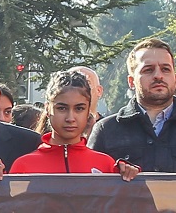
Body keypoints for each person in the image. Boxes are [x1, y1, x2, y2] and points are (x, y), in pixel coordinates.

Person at [91, 39, 176, 174]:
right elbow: (90, 186)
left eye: (165, 69)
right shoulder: (106, 131)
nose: (158, 76)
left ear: (175, 79)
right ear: (131, 81)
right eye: (148, 70)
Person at [11, 71, 139, 177]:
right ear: (48, 109)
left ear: (88, 111)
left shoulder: (106, 165)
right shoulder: (23, 166)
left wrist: (130, 176)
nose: (70, 118)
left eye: (79, 109)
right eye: (62, 108)